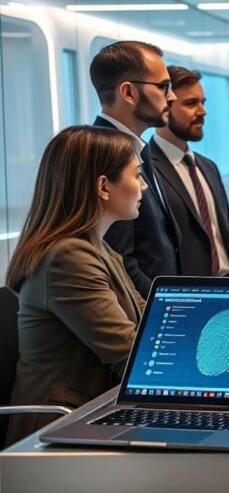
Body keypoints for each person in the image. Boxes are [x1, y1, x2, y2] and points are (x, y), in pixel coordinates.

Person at [4, 126, 146, 445]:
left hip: (92, 414)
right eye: (137, 175)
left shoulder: (100, 249)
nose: (144, 186)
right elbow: (130, 356)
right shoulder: (68, 257)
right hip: (57, 431)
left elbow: (147, 325)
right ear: (103, 187)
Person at [89, 40, 180, 297]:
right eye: (163, 86)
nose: (172, 96)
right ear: (128, 92)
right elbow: (120, 261)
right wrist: (164, 306)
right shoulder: (104, 154)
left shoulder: (138, 148)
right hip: (140, 311)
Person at [150, 66, 229, 278]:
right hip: (189, 292)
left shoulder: (208, 167)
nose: (202, 111)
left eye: (203, 102)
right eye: (191, 103)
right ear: (164, 106)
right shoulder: (144, 169)